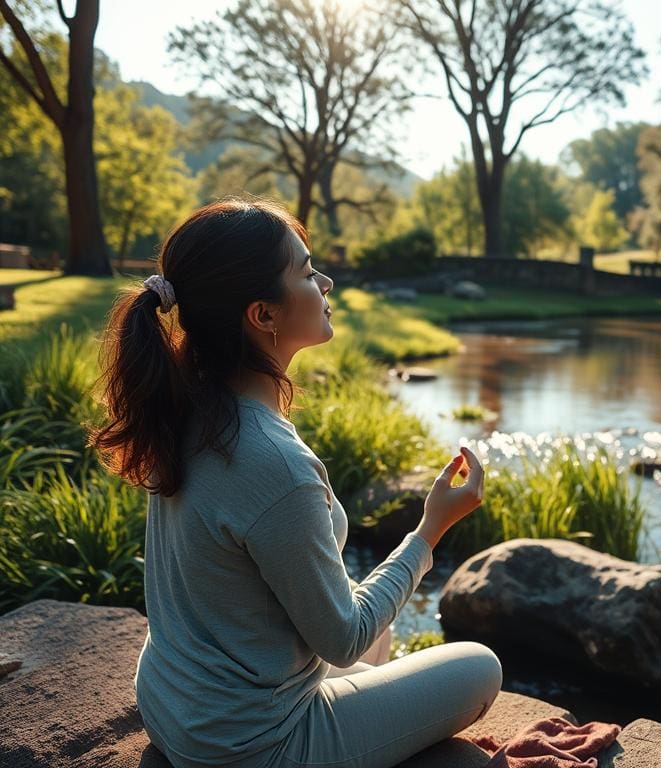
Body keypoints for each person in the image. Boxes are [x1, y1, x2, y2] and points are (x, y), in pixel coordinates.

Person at [88, 197, 502, 768]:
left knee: (376, 628)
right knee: (480, 665)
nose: (325, 280)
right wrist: (431, 530)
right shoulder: (273, 461)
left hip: (174, 707)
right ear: (264, 315)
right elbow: (342, 640)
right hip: (252, 745)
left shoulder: (187, 405)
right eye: (307, 272)